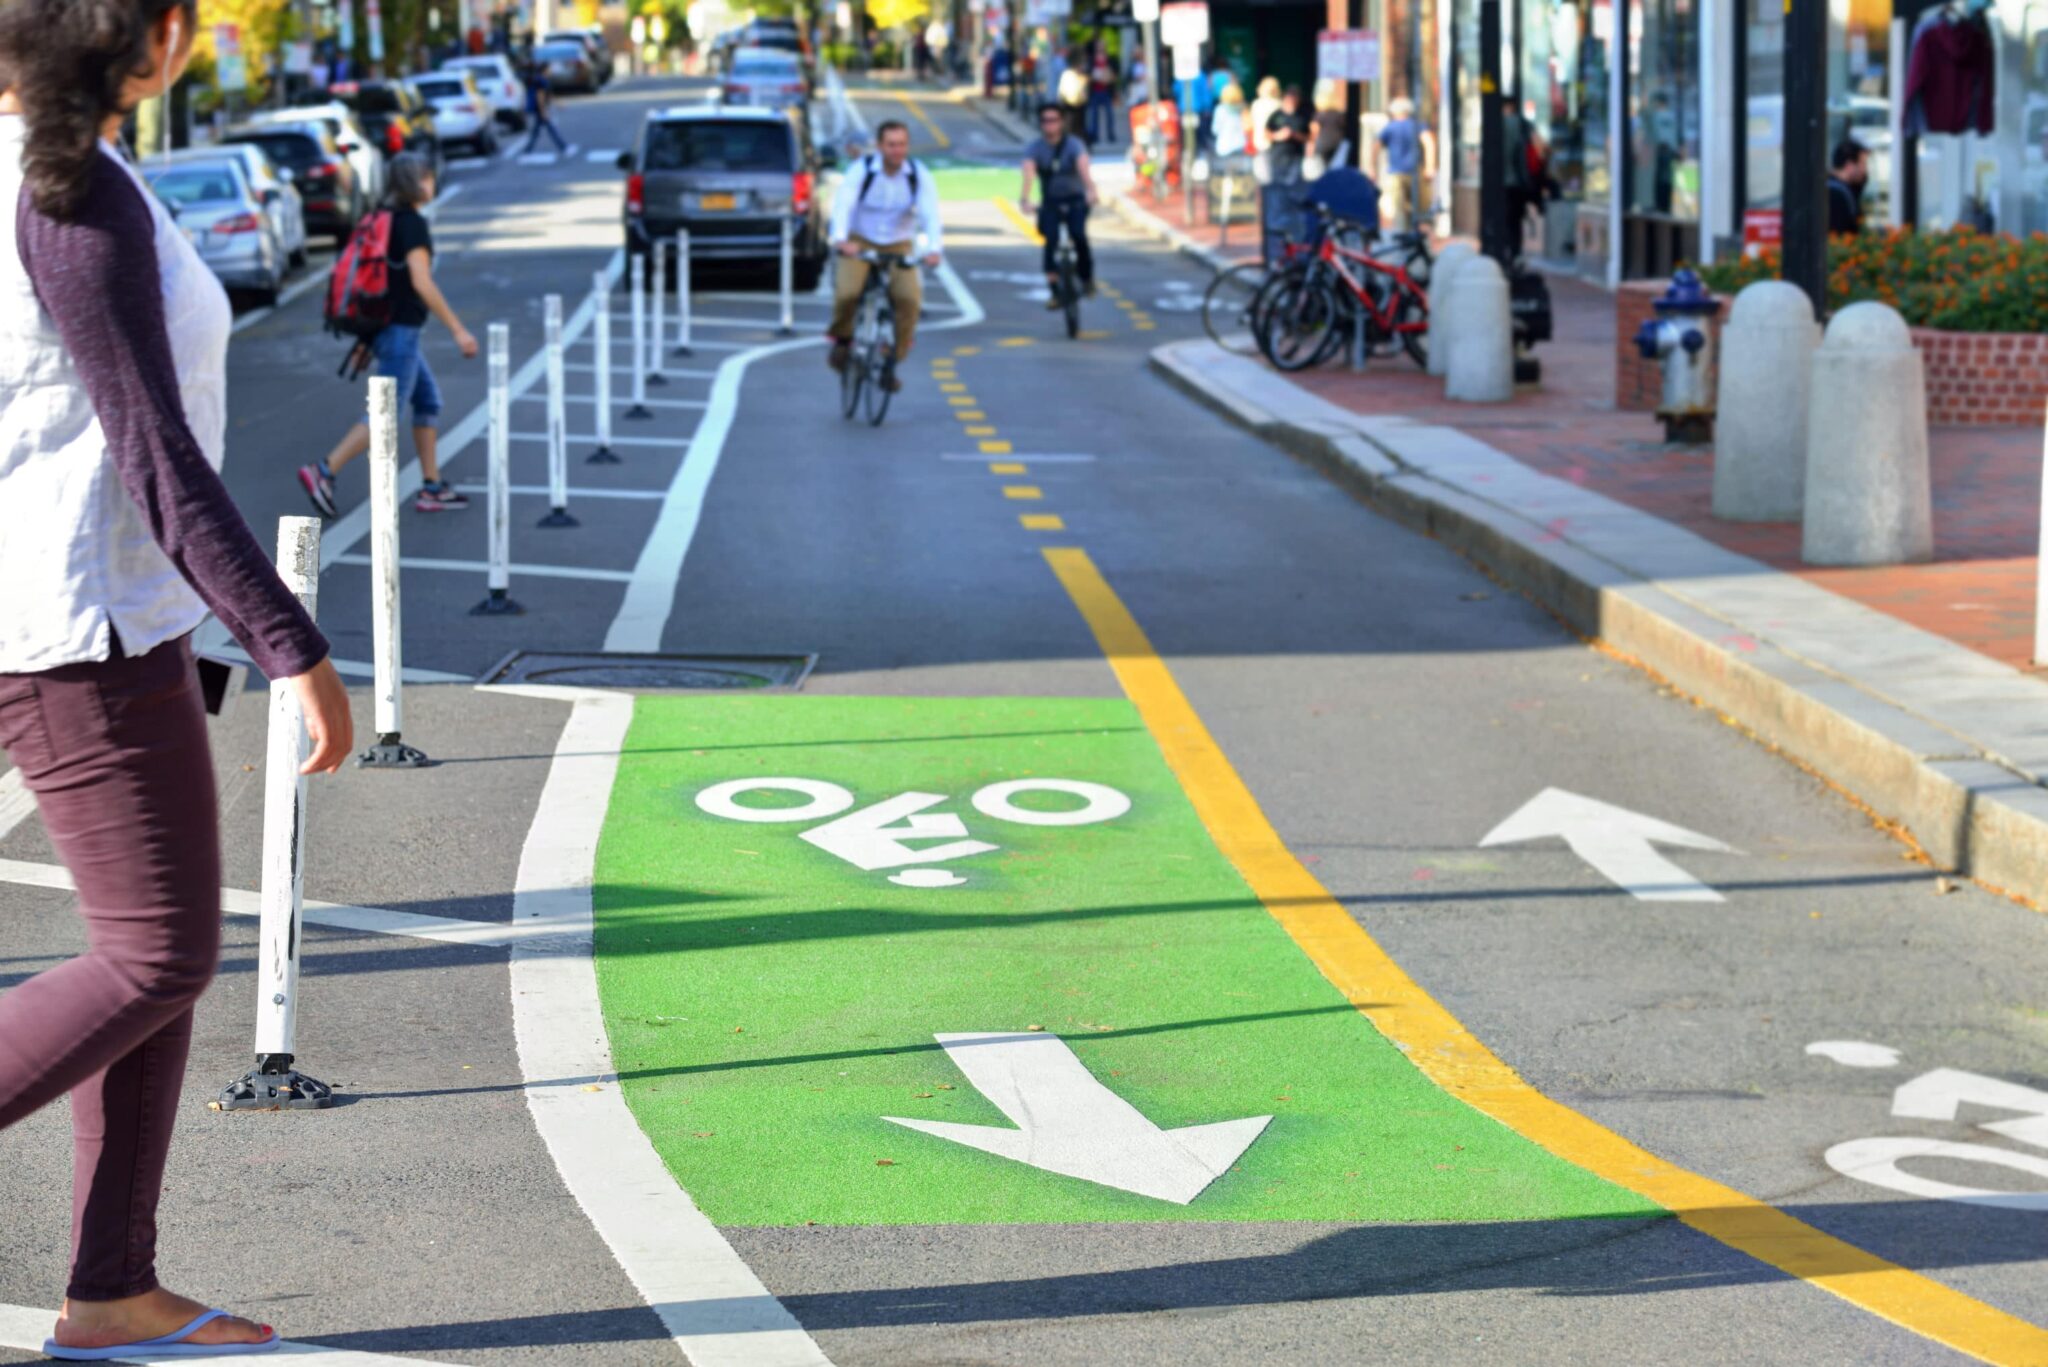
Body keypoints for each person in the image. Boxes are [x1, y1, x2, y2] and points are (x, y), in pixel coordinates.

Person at [0, 0, 354, 1358]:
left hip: (97, 612)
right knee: (158, 950)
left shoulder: (64, 166)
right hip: (76, 623)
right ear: (161, 38)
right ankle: (107, 1285)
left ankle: (110, 1286)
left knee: (150, 959)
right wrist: (293, 643)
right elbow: (154, 453)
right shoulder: (72, 195)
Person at [300, 154, 479, 516]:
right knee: (385, 416)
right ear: (415, 182)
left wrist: (368, 339)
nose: (432, 184)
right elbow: (420, 281)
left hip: (389, 331)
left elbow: (384, 285)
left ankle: (431, 487)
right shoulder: (411, 224)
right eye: (427, 177)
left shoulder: (380, 218)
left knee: (428, 402)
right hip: (400, 333)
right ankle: (323, 471)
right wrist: (458, 330)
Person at [826, 120, 944, 390]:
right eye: (890, 145)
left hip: (898, 244)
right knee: (847, 293)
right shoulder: (862, 170)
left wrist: (934, 249)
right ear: (879, 146)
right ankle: (842, 341)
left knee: (909, 300)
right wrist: (842, 240)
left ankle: (891, 361)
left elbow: (930, 214)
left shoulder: (918, 174)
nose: (896, 150)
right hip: (859, 241)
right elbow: (843, 205)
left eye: (901, 144)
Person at [1021, 101, 1099, 306]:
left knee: (1079, 235)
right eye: (1045, 121)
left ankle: (1086, 278)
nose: (1049, 125)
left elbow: (1083, 168)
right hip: (1050, 202)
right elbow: (1028, 173)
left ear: (1062, 122)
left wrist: (1091, 190)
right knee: (1050, 240)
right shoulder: (1035, 148)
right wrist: (1025, 199)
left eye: (1054, 120)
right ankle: (1055, 290)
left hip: (1075, 199)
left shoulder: (1074, 145)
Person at [1374, 96, 1435, 232]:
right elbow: (1428, 142)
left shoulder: (1390, 127)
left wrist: (1372, 167)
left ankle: (1404, 233)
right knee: (1417, 206)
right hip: (1414, 171)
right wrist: (1429, 167)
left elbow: (1376, 146)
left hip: (1395, 172)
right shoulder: (1416, 125)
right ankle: (1416, 232)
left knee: (1400, 208)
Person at [521, 55, 568, 154]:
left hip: (540, 109)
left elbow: (549, 96)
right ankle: (562, 145)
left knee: (537, 130)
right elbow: (540, 96)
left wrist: (558, 104)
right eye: (549, 69)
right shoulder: (541, 81)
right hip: (540, 109)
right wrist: (543, 111)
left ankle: (528, 148)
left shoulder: (542, 80)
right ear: (545, 70)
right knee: (550, 128)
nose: (551, 70)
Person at [1264, 84, 1309, 184]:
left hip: (1295, 157)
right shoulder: (1276, 115)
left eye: (1295, 97)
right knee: (1277, 186)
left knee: (1293, 185)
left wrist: (1294, 135)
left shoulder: (1303, 116)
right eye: (1290, 97)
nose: (1292, 100)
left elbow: (1308, 137)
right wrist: (1278, 136)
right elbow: (1266, 134)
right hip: (1277, 156)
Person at [1307, 82, 1348, 178]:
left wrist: (1310, 146)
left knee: (1321, 171)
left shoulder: (1319, 115)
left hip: (1323, 145)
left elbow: (1314, 132)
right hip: (1337, 145)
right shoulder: (1339, 115)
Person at [1829, 139, 1869, 235]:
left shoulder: (1832, 188)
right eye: (1862, 164)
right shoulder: (1837, 195)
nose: (1865, 170)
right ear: (1849, 166)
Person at [1248, 75, 1282, 182]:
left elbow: (1250, 124)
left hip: (1259, 142)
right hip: (1276, 143)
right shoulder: (1279, 105)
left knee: (1262, 177)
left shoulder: (1256, 104)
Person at [1210, 80, 1249, 167]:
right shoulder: (1243, 108)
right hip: (1241, 144)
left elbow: (1215, 129)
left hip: (1225, 146)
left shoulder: (1220, 110)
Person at [1056, 47, 1091, 145]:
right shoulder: (1068, 75)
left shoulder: (1081, 76)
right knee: (1070, 129)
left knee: (1078, 129)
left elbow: (1084, 93)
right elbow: (1063, 92)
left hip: (1079, 107)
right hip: (1069, 107)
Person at [1087, 45, 1118, 147]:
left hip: (1106, 91)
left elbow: (1113, 76)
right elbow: (1089, 77)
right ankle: (1095, 135)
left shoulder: (1108, 62)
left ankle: (1111, 134)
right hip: (1095, 91)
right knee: (1094, 115)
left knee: (1109, 114)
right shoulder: (1092, 63)